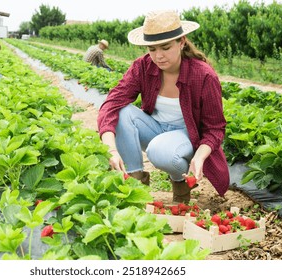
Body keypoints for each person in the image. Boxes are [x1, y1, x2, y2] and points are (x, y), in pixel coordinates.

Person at [97, 10, 230, 203]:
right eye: (152, 49)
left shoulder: (203, 75)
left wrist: (199, 157)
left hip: (186, 136)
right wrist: (111, 150)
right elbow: (111, 104)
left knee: (159, 151)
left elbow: (215, 128)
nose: (158, 56)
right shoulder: (143, 67)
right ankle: (134, 187)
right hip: (155, 129)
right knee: (122, 111)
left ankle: (181, 186)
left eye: (165, 48)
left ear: (182, 41)